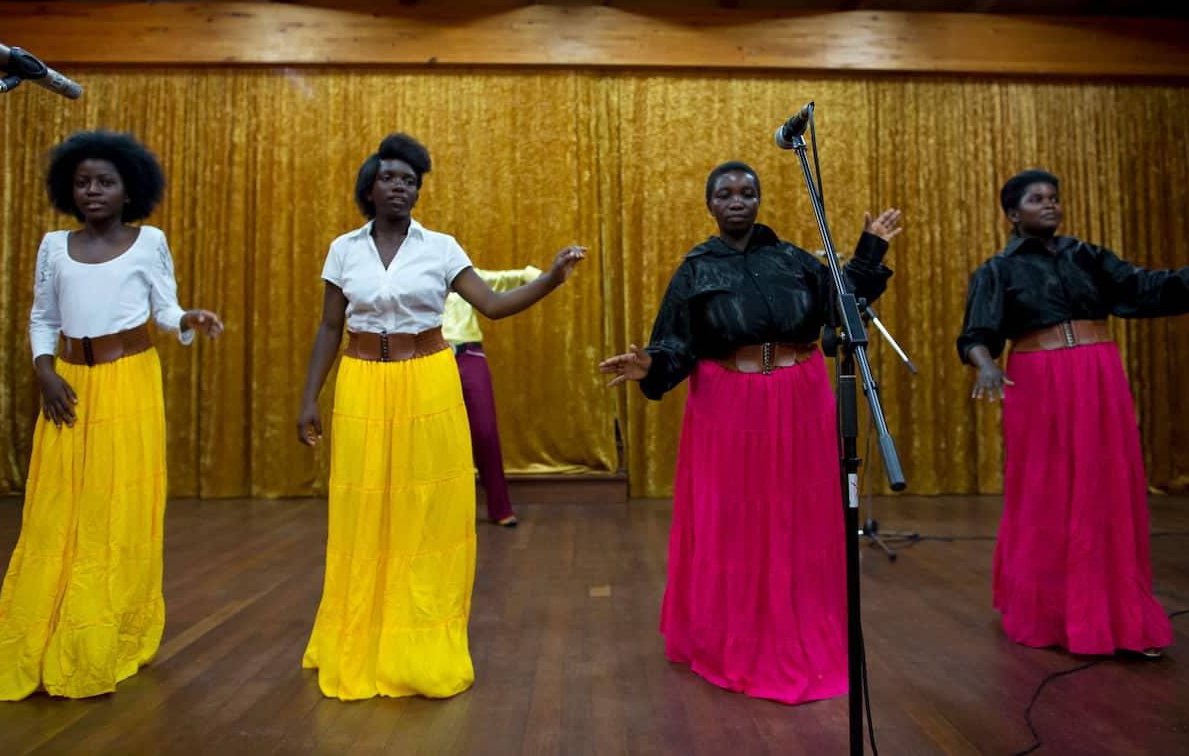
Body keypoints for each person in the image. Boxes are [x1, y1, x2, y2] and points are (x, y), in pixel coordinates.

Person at [295, 133, 585, 701]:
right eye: (390, 178)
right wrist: (310, 397)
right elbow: (330, 326)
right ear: (369, 187)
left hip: (428, 379)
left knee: (424, 511)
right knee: (365, 506)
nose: (401, 187)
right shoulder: (343, 248)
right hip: (360, 382)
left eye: (411, 181)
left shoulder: (442, 247)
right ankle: (360, 631)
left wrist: (551, 278)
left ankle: (421, 635)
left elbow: (494, 307)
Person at [599, 161, 901, 704]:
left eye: (747, 192)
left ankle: (799, 630)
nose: (736, 200)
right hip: (728, 403)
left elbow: (842, 303)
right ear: (710, 204)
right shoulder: (695, 268)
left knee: (800, 517)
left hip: (800, 394)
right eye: (724, 193)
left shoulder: (793, 259)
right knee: (735, 520)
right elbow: (674, 343)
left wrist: (870, 251)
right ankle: (733, 637)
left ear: (759, 200)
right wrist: (652, 364)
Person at [958, 168, 1189, 658]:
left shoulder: (1087, 257)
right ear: (1013, 213)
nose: (1050, 205)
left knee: (1106, 491)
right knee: (1048, 495)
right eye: (1037, 199)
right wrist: (985, 364)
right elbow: (976, 333)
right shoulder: (998, 270)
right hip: (1039, 381)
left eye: (1054, 197)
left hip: (1099, 375)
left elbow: (1156, 289)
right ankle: (1052, 614)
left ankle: (1116, 615)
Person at [0, 130, 224, 701]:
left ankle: (109, 632)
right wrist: (44, 372)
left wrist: (190, 319)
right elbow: (43, 317)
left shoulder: (149, 242)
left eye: (105, 182)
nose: (92, 191)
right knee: (61, 506)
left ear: (128, 189)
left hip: (129, 383)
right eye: (83, 181)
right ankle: (49, 626)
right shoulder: (51, 245)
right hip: (68, 384)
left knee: (116, 507)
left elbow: (164, 311)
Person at [442, 265, 544, 527]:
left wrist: (541, 276)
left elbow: (504, 280)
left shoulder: (466, 278)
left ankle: (500, 508)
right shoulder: (420, 280)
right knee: (436, 435)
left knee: (485, 431)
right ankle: (441, 513)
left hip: (469, 355)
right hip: (433, 358)